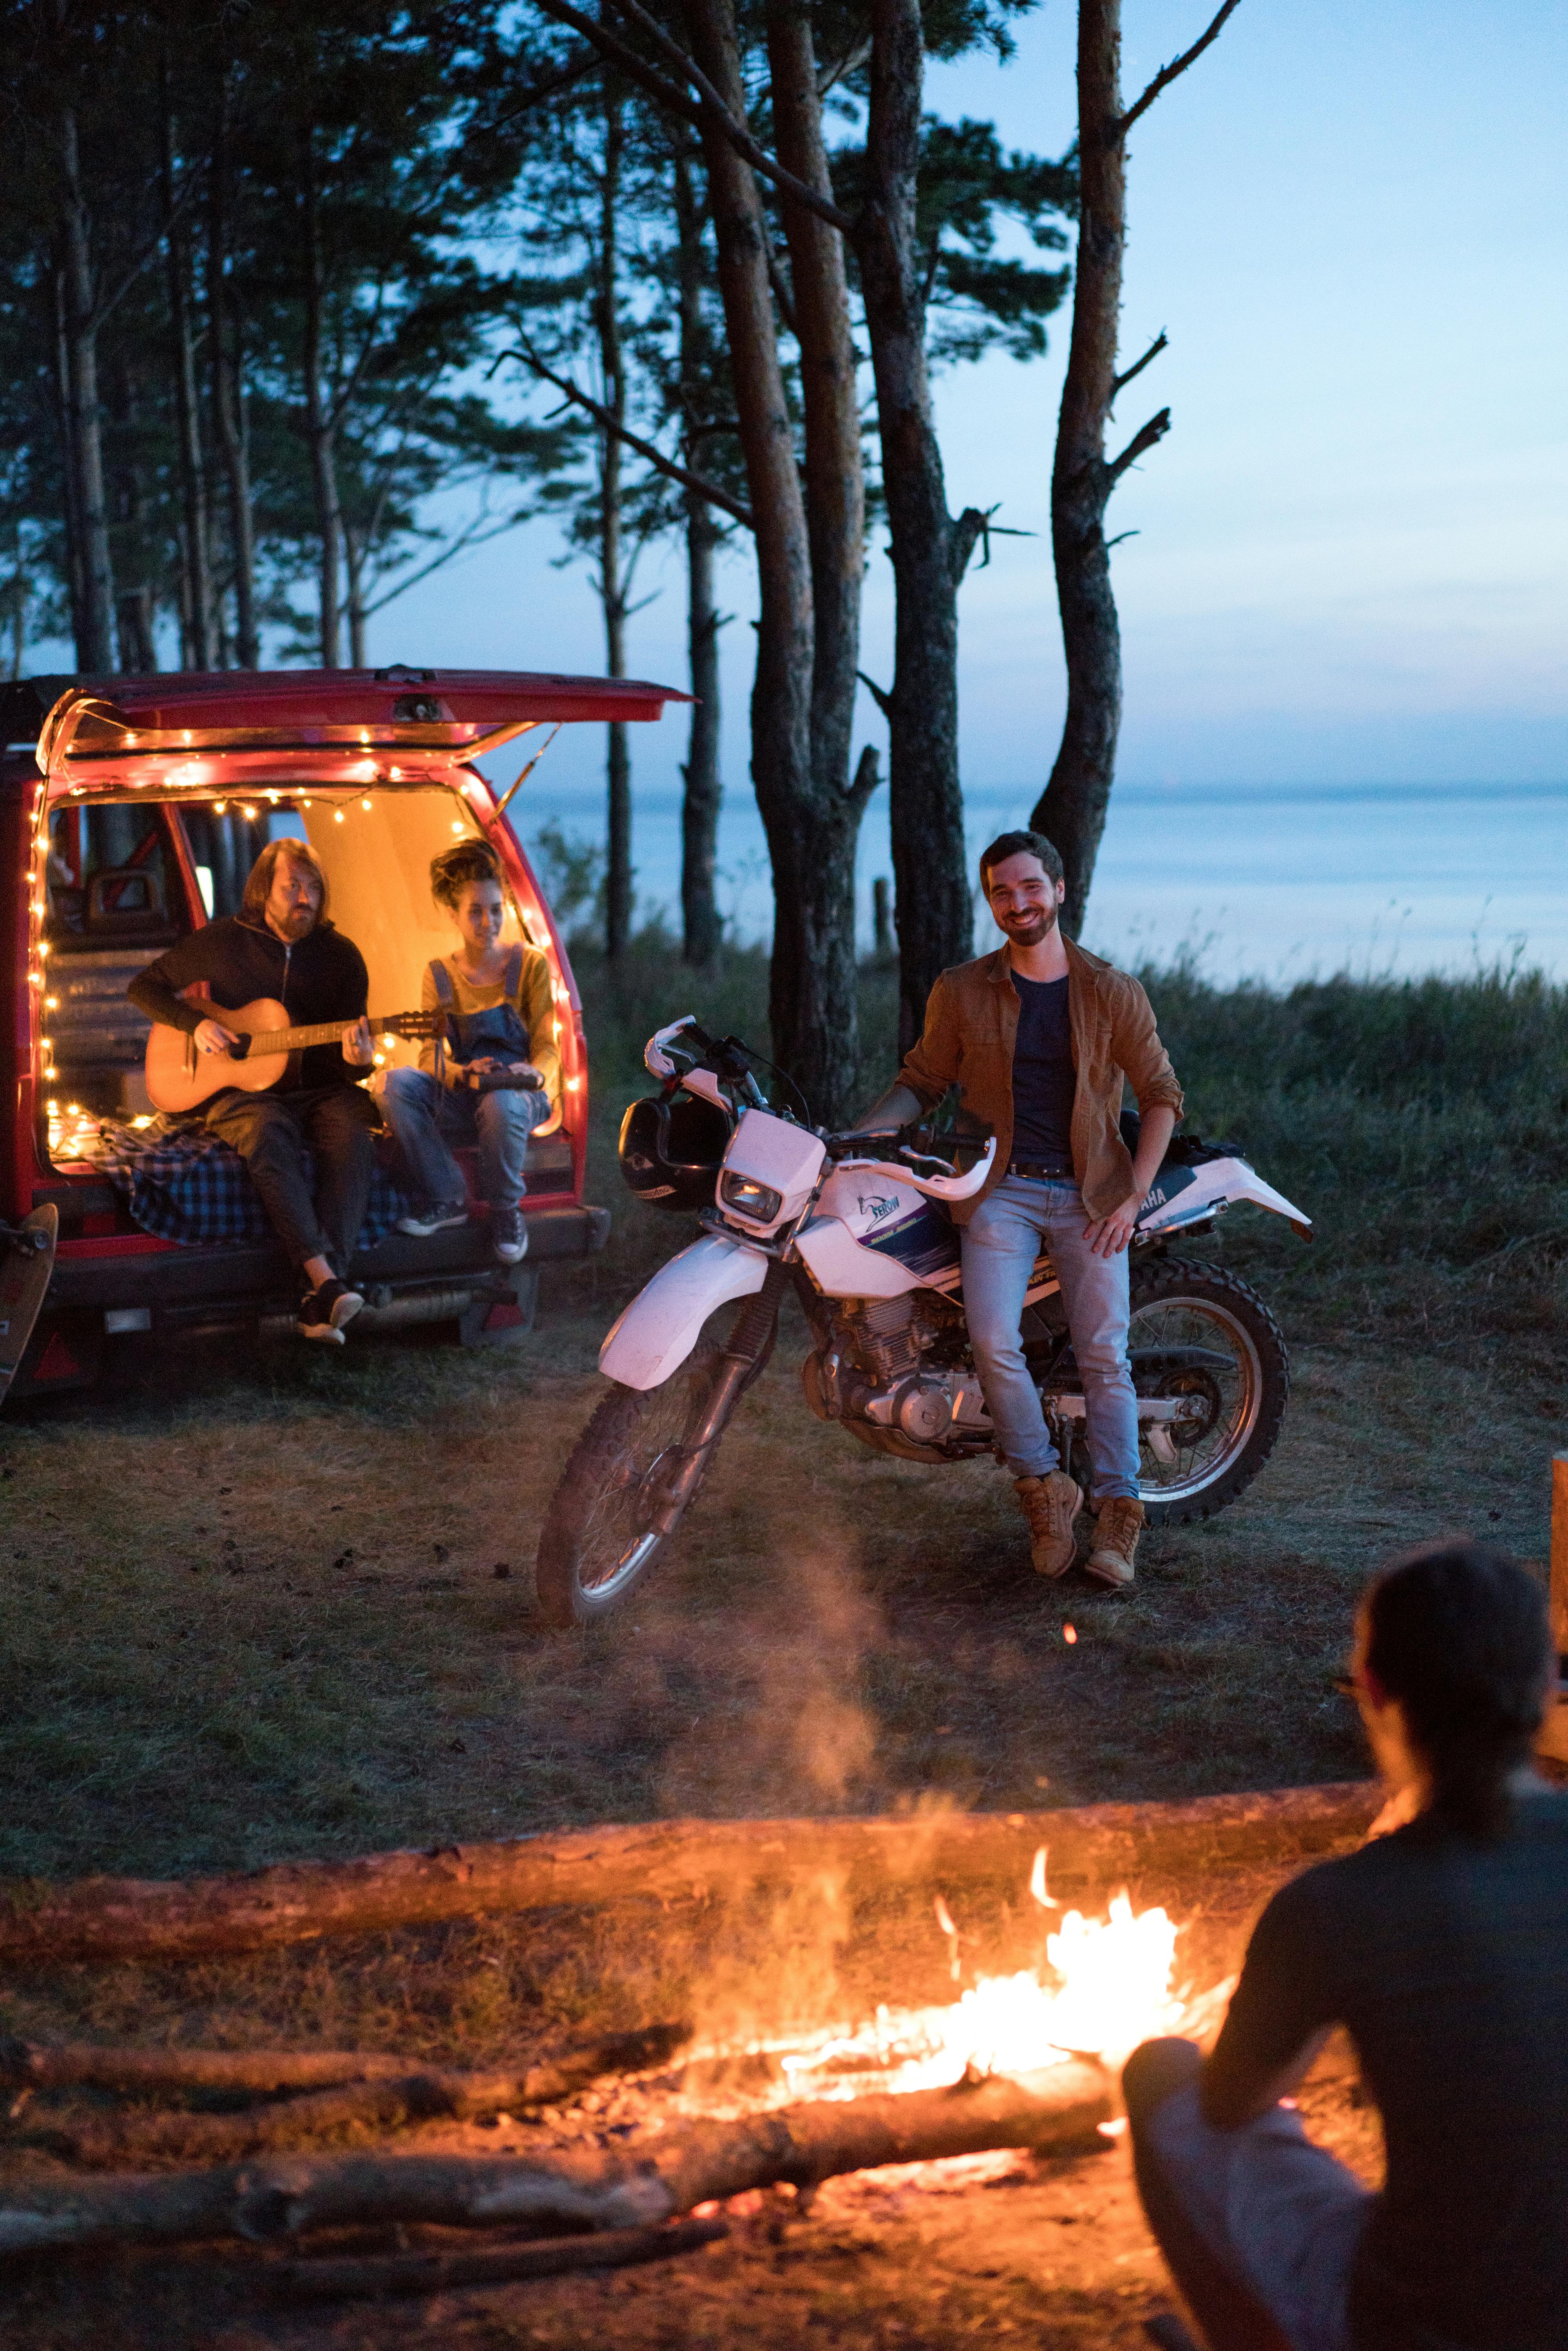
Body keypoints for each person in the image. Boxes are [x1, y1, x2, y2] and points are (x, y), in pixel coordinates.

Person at [1123, 1540, 1567, 2351]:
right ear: (1546, 1690)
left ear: (1373, 1691)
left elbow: (1233, 2105)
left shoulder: (1338, 1905)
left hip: (1420, 2325)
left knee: (1164, 2078)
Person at [862, 829, 1183, 1587]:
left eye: (1030, 887)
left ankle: (1119, 1518)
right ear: (992, 902)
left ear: (1060, 890)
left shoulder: (1111, 990)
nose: (1018, 903)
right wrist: (863, 1136)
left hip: (1092, 1194)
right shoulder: (964, 989)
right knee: (991, 1339)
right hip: (998, 1190)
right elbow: (923, 1079)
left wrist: (1132, 1196)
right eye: (1002, 893)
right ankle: (1044, 1489)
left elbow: (1162, 1095)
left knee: (1105, 1355)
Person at [127, 837, 377, 1343]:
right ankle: (328, 1287)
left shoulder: (343, 959)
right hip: (241, 1093)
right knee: (266, 1132)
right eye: (292, 886)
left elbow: (345, 1066)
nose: (304, 898)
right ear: (265, 890)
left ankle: (321, 1294)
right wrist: (192, 1024)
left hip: (319, 1089)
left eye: (313, 888)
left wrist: (358, 1063)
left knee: (355, 1127)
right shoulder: (222, 941)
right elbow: (144, 988)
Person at [380, 840, 558, 1265]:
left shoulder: (529, 965)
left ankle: (505, 1211)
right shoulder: (439, 975)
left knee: (501, 1103)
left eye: (496, 909)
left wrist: (532, 1073)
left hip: (520, 1096)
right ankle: (447, 1197)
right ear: (453, 915)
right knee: (393, 1084)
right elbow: (429, 1057)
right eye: (476, 911)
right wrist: (463, 1072)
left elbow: (549, 1048)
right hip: (465, 1091)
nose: (488, 922)